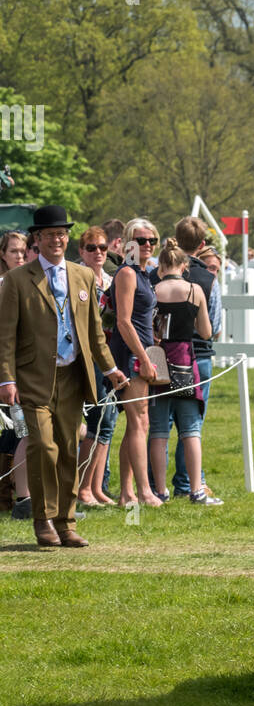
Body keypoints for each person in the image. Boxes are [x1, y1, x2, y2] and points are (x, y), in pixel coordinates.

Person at [0, 204, 128, 547]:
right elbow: (5, 335)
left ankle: (66, 522)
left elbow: (94, 333)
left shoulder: (82, 275)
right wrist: (6, 379)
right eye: (49, 235)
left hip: (74, 376)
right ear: (37, 240)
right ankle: (43, 519)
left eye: (61, 234)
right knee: (43, 446)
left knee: (70, 449)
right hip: (34, 378)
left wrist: (110, 368)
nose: (57, 240)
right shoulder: (16, 280)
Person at [148, 237, 222, 506]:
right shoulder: (194, 290)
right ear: (183, 265)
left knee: (158, 430)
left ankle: (159, 490)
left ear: (160, 265)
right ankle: (196, 490)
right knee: (190, 429)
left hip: (157, 363)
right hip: (184, 362)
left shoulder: (151, 289)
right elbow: (206, 332)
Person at [108, 218, 161, 508]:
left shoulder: (144, 273)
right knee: (139, 422)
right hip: (131, 354)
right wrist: (143, 358)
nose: (148, 245)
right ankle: (144, 492)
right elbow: (124, 322)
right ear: (129, 243)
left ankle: (127, 492)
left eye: (152, 239)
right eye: (141, 240)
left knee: (137, 423)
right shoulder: (127, 273)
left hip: (143, 352)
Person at [171, 216, 222, 499]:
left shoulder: (158, 272)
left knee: (161, 423)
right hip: (198, 355)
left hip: (164, 354)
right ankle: (188, 482)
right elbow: (213, 326)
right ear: (202, 245)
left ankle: (155, 485)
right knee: (192, 425)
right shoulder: (208, 279)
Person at [76, 227, 119, 506]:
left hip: (109, 355)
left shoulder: (112, 280)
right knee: (94, 422)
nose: (98, 252)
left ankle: (96, 486)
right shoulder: (75, 277)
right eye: (92, 248)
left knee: (109, 422)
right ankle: (81, 489)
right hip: (85, 358)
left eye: (102, 247)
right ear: (81, 251)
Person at [0, 231, 32, 518]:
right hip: (11, 374)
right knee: (23, 431)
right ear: (2, 255)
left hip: (29, 371)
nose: (20, 257)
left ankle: (20, 497)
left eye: (23, 252)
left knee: (21, 431)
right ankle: (22, 498)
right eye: (14, 252)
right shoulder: (4, 285)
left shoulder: (29, 283)